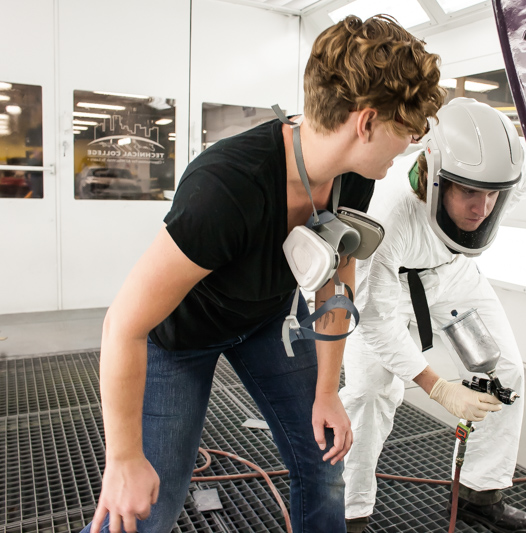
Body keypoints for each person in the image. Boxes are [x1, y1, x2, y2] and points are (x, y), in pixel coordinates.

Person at [82, 15, 444, 533]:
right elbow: (123, 324)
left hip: (265, 321)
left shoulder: (353, 174)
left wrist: (326, 391)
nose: (408, 143)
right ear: (365, 124)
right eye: (406, 130)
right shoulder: (226, 187)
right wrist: (122, 460)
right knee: (148, 504)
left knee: (325, 464)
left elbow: (337, 274)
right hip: (179, 338)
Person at [340, 98, 526, 533]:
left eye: (491, 194)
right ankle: (351, 513)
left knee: (506, 370)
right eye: (468, 192)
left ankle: (479, 494)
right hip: (391, 284)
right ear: (433, 177)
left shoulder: (507, 174)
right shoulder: (387, 211)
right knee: (370, 394)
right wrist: (437, 387)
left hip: (452, 276)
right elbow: (374, 319)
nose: (482, 208)